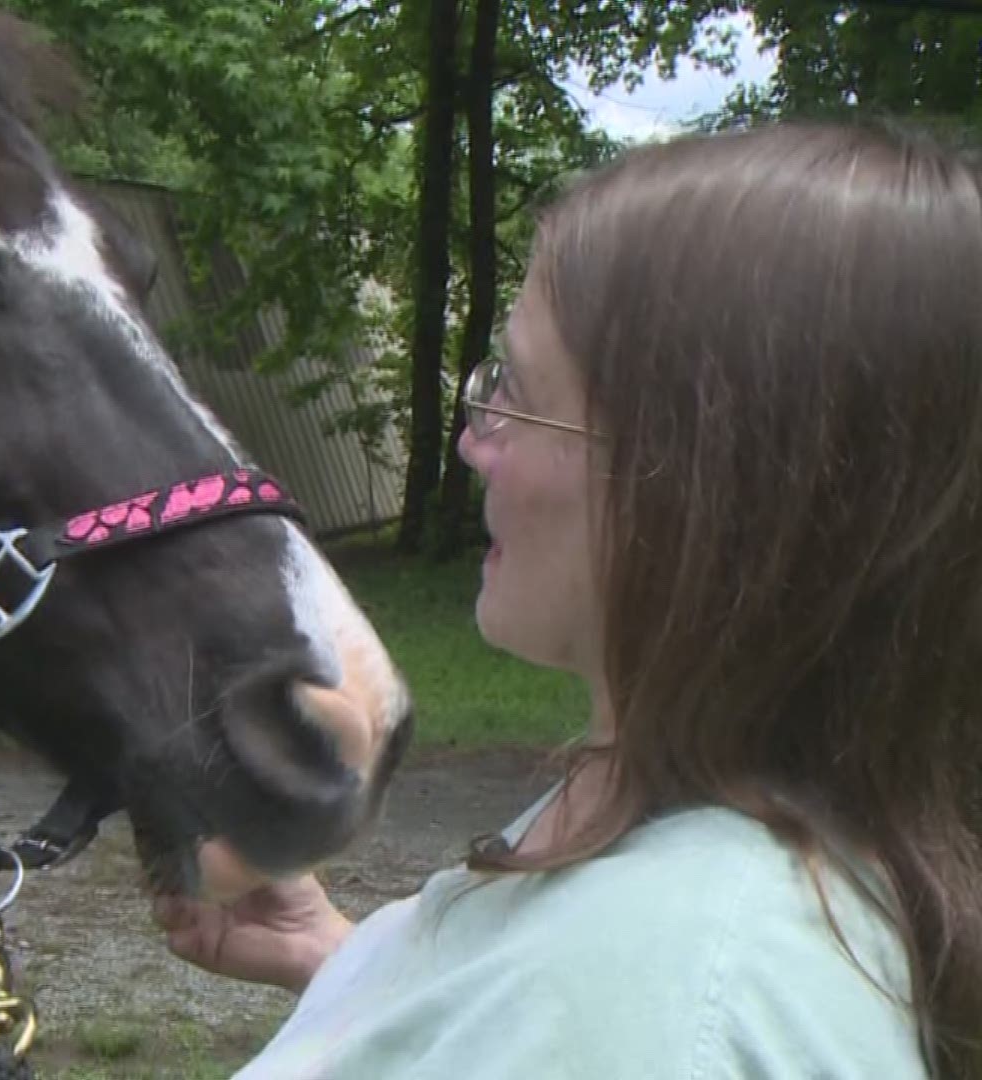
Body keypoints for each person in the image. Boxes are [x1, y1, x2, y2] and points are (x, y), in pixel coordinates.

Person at [155, 119, 982, 1079]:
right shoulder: (700, 842)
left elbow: (645, 1018)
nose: (475, 439)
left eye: (518, 392)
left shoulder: (681, 996)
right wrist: (342, 964)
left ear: (701, 487)